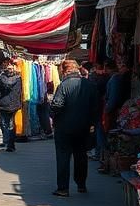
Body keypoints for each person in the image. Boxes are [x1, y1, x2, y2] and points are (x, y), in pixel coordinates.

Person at [50, 59, 97, 197]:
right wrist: (92, 124)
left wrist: (52, 114)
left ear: (65, 71)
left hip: (64, 128)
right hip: (84, 127)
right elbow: (96, 107)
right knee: (81, 155)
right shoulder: (89, 85)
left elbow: (57, 105)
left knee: (63, 156)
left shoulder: (63, 85)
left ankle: (63, 188)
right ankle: (81, 184)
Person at [100, 60, 131, 172]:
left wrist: (107, 110)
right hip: (115, 111)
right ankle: (109, 162)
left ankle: (108, 163)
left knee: (109, 136)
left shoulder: (115, 79)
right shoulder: (117, 79)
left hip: (113, 112)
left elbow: (113, 99)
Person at [0, 60, 23, 152]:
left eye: (10, 68)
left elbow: (3, 87)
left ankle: (8, 142)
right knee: (11, 124)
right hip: (14, 104)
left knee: (6, 124)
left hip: (5, 104)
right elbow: (20, 91)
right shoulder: (19, 78)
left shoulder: (2, 78)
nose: (10, 70)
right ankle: (10, 144)